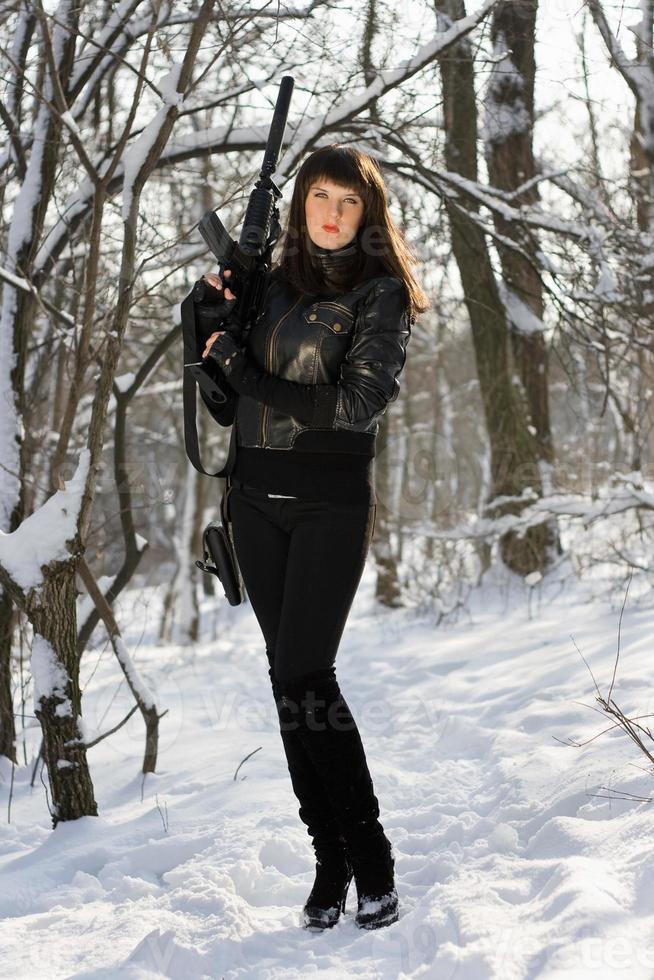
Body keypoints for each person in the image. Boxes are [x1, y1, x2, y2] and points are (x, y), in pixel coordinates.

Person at [198, 144, 429, 931]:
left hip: (328, 502)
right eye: (318, 197)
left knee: (308, 674)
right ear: (300, 206)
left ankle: (371, 858)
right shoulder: (268, 285)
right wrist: (209, 319)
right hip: (255, 503)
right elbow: (227, 405)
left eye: (347, 202)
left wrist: (247, 371)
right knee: (286, 680)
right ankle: (328, 861)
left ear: (368, 216)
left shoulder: (380, 294)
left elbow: (357, 404)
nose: (330, 214)